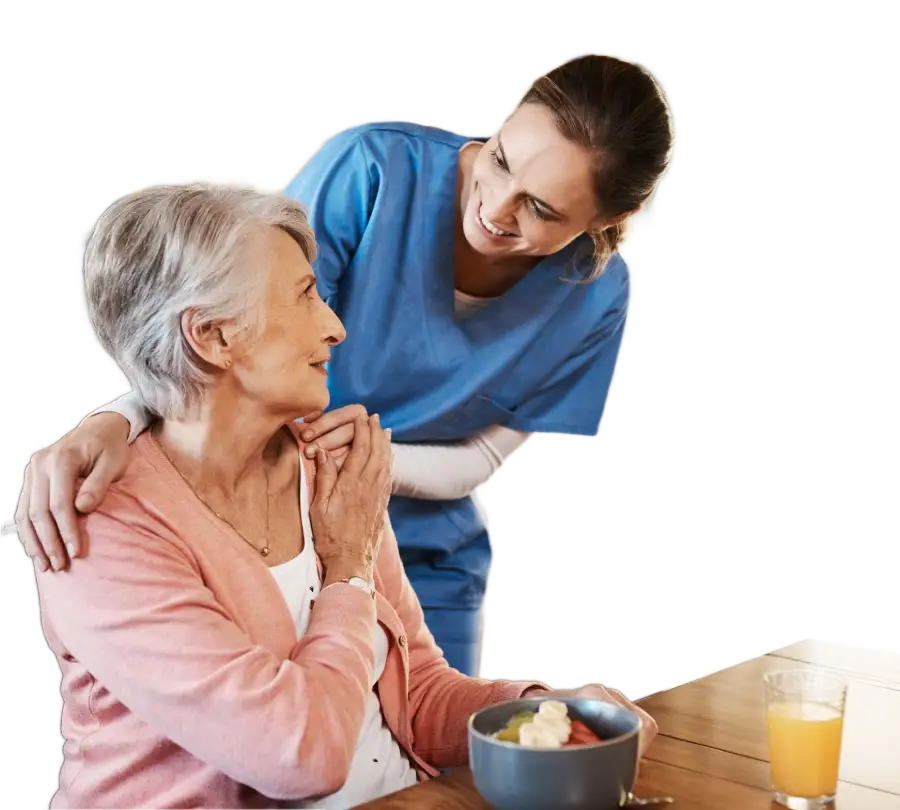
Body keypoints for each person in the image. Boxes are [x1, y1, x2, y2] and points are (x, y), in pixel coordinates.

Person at [14, 50, 677, 676]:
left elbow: (478, 461)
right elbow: (221, 323)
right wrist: (120, 419)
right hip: (268, 527)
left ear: (608, 219)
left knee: (430, 767)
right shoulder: (375, 169)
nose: (495, 209)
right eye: (500, 159)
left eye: (540, 208)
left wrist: (359, 473)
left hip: (426, 558)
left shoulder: (596, 296)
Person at [30, 177, 657, 808]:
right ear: (213, 337)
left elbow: (416, 695)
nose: (334, 326)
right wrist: (348, 571)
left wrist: (542, 709)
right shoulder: (98, 526)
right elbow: (301, 756)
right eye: (305, 297)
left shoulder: (325, 468)